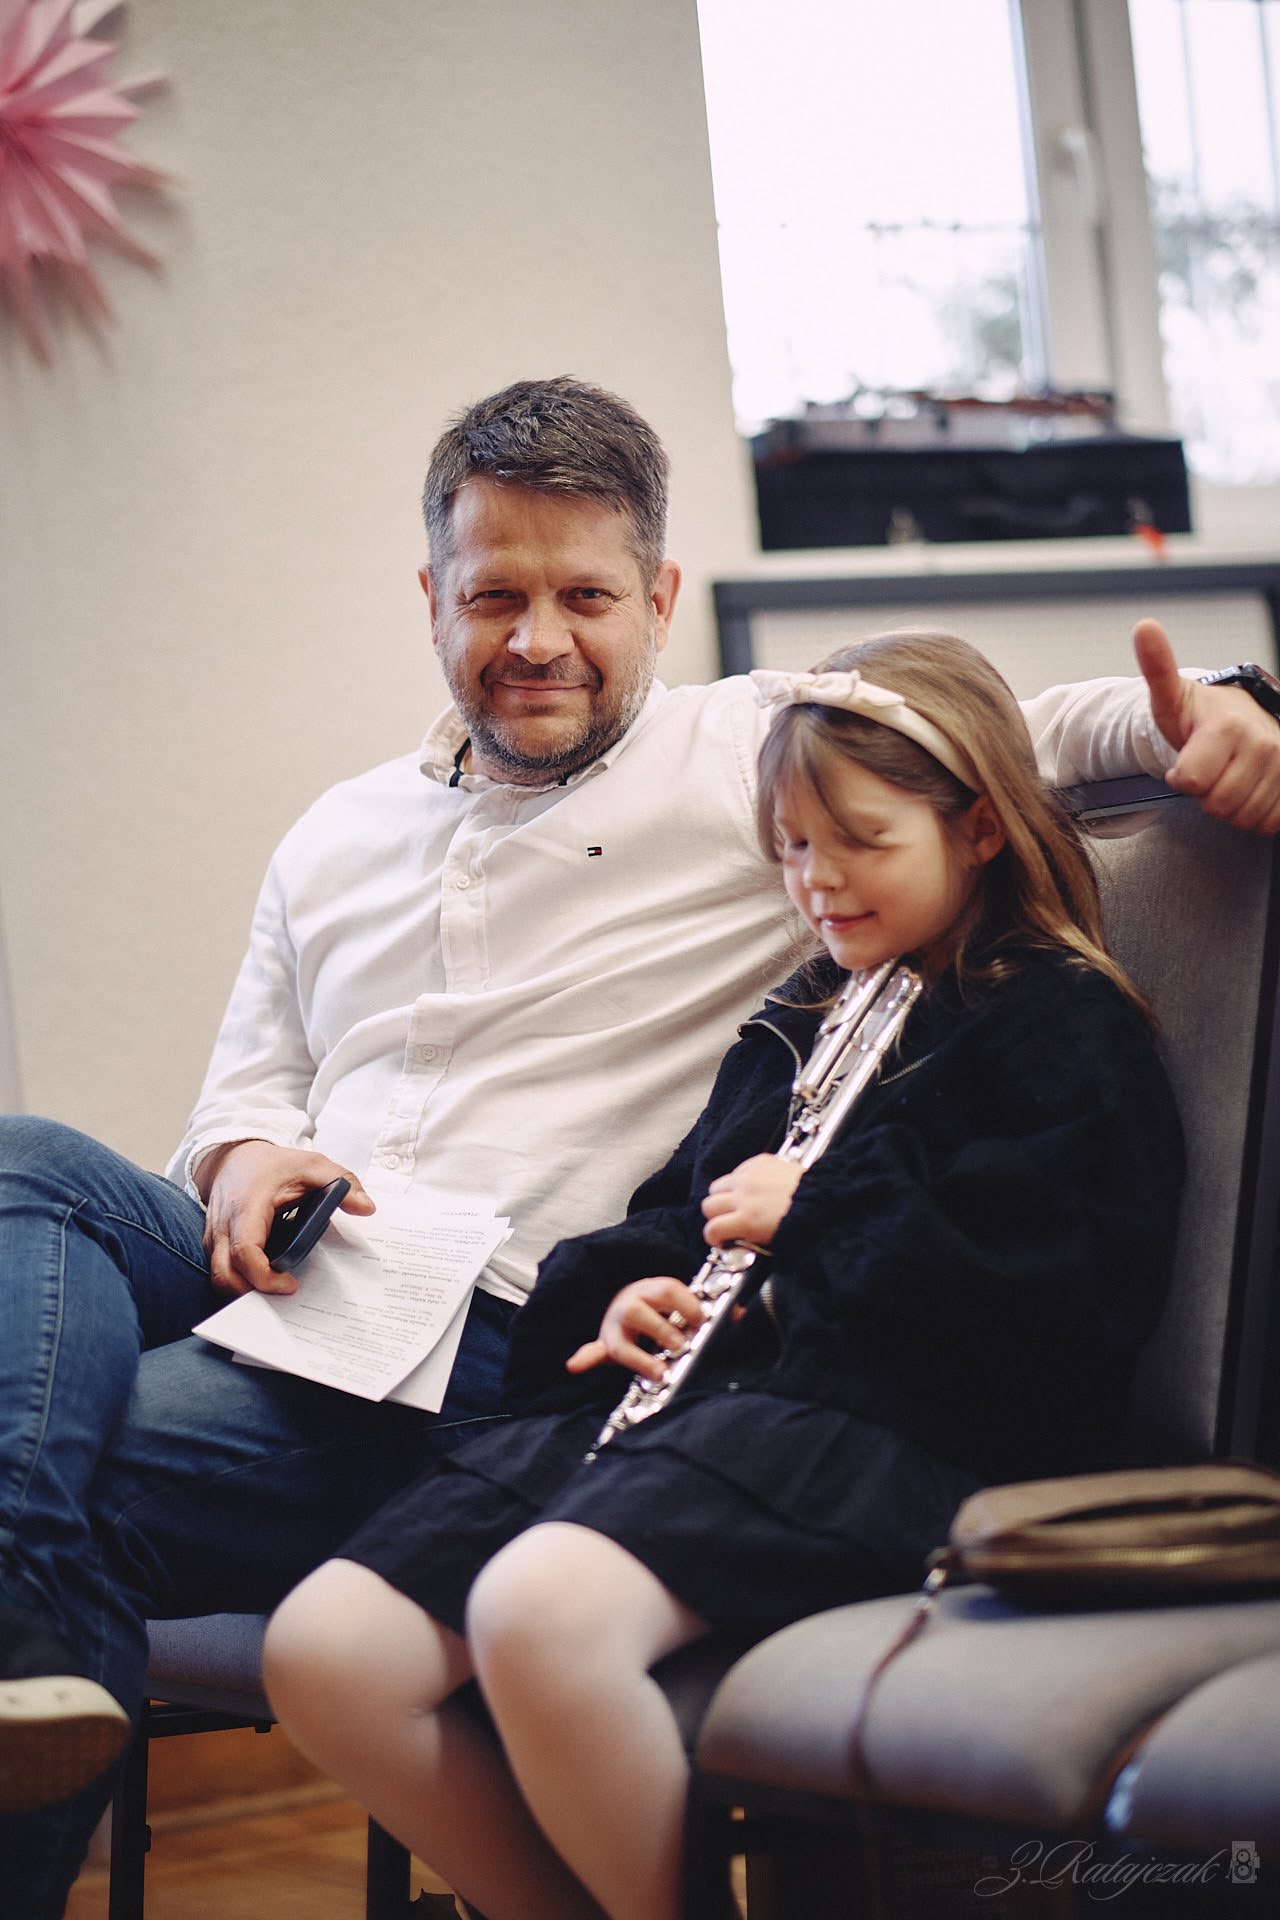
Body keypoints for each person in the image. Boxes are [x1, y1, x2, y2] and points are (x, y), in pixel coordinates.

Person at [0, 377, 1270, 1913]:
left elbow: (1015, 734)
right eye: (495, 595)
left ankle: (26, 1605)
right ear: (432, 598)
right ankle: (27, 1596)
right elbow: (239, 1091)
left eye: (587, 597)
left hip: (485, 1330)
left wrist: (1221, 707)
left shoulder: (753, 751)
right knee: (24, 1163)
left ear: (660, 601)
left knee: (40, 1491)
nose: (539, 639)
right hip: (300, 1280)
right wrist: (243, 1158)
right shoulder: (334, 831)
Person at [262, 629, 1185, 1920]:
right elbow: (686, 1210)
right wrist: (636, 1293)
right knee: (327, 1654)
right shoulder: (805, 1011)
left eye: (860, 841)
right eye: (793, 847)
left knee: (539, 1613)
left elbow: (1061, 1301)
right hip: (716, 1413)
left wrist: (818, 1212)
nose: (819, 880)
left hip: (902, 1439)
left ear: (980, 828)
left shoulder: (1061, 1023)